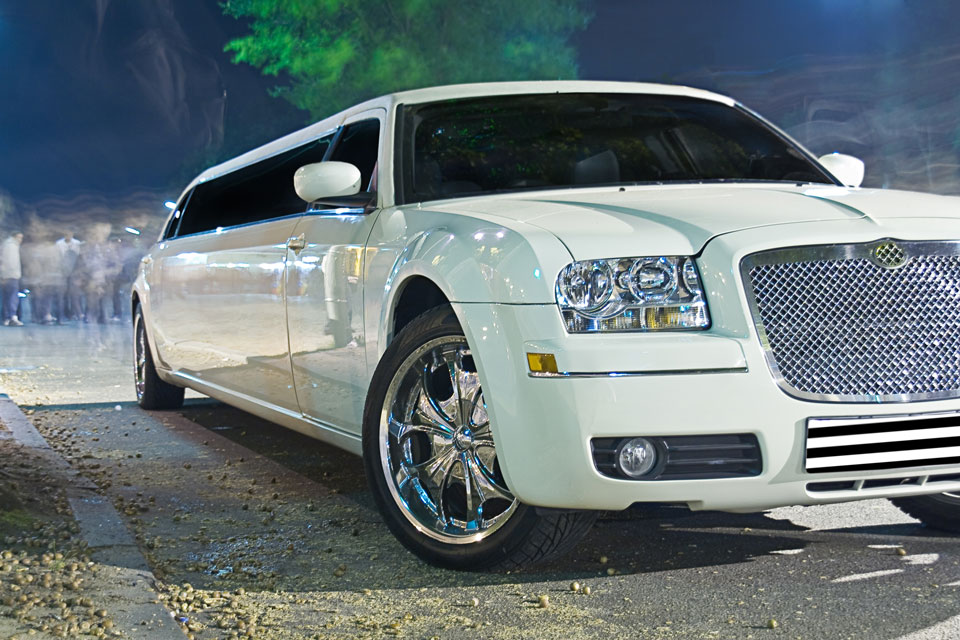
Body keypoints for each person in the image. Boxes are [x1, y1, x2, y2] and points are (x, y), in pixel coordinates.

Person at [56, 231, 83, 320]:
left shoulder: (77, 243)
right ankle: (64, 313)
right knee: (63, 294)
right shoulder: (59, 244)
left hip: (74, 271)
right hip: (63, 271)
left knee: (75, 294)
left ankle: (75, 313)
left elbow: (79, 257)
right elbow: (58, 257)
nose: (68, 236)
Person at [0, 231, 24, 326]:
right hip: (12, 275)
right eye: (19, 237)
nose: (20, 240)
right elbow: (12, 262)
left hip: (4, 275)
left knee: (6, 297)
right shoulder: (12, 246)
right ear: (14, 237)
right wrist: (16, 274)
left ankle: (6, 318)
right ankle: (12, 317)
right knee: (13, 297)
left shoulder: (4, 245)